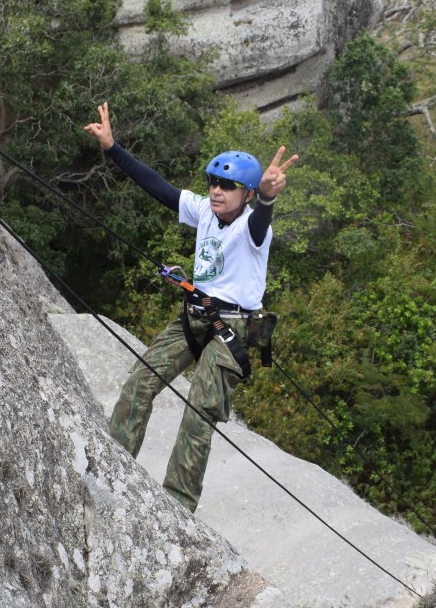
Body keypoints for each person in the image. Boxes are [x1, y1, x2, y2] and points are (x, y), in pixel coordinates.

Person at [84, 101, 298, 512]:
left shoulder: (252, 226)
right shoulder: (204, 210)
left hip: (232, 328)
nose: (217, 190)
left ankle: (176, 508)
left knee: (199, 413)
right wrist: (112, 148)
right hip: (196, 315)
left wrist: (269, 198)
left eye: (228, 186)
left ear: (247, 194)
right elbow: (157, 186)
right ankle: (112, 471)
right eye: (213, 182)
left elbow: (260, 221)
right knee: (139, 383)